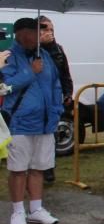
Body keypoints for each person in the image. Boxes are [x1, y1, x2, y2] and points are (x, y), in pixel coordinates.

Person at [3, 18, 63, 224]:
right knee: (18, 169)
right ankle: (18, 211)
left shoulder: (45, 56)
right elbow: (5, 88)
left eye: (37, 32)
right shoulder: (8, 58)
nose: (35, 36)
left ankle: (36, 209)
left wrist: (57, 110)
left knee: (39, 167)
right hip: (20, 122)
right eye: (31, 32)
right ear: (19, 34)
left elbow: (56, 84)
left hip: (45, 122)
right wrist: (30, 72)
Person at [37, 17, 72, 183]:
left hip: (53, 98)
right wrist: (40, 44)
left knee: (50, 134)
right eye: (44, 28)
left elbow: (65, 73)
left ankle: (48, 168)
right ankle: (35, 168)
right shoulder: (31, 49)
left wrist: (68, 93)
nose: (49, 32)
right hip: (36, 98)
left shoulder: (57, 49)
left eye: (51, 29)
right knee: (36, 135)